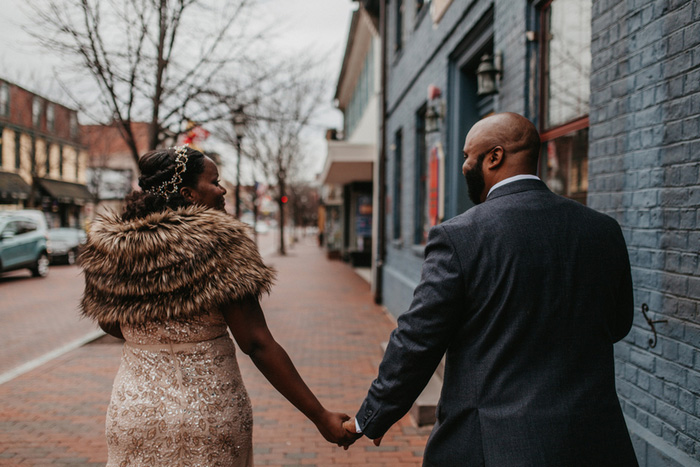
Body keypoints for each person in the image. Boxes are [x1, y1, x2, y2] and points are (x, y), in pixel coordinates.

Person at [342, 112, 638, 466]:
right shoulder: (603, 230)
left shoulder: (460, 236)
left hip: (496, 446)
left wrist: (368, 418)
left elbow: (418, 339)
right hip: (595, 442)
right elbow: (618, 324)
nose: (465, 165)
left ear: (494, 157)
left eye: (469, 156)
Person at [80, 145, 355, 466]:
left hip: (136, 410)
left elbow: (109, 323)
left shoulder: (108, 247)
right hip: (209, 411)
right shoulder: (220, 244)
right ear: (188, 192)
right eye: (215, 181)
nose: (223, 189)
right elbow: (256, 342)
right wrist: (319, 415)